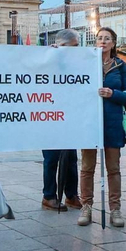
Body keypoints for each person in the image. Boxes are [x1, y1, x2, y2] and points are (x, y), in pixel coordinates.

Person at [78, 27, 126, 227]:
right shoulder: (84, 63)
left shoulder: (120, 66)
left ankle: (115, 209)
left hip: (112, 122)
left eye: (107, 38)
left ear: (113, 43)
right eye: (99, 38)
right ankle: (86, 206)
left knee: (113, 168)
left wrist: (113, 94)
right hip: (89, 122)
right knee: (87, 167)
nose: (103, 41)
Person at [41, 28, 82, 211]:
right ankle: (49, 195)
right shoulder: (46, 59)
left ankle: (71, 194)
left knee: (71, 157)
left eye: (77, 46)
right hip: (49, 116)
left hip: (70, 115)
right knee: (51, 158)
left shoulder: (80, 62)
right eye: (73, 47)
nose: (76, 50)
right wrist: (51, 56)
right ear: (60, 45)